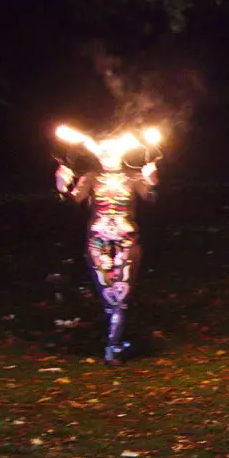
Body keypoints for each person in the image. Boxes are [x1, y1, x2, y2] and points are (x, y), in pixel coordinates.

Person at [57, 155, 158, 365]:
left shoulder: (134, 177)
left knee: (121, 294)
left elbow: (152, 198)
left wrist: (153, 181)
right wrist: (62, 187)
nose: (107, 154)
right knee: (108, 295)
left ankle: (112, 348)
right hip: (98, 240)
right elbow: (72, 203)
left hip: (127, 239)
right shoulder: (91, 178)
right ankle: (118, 343)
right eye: (103, 150)